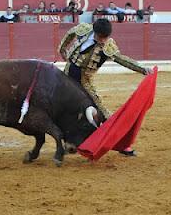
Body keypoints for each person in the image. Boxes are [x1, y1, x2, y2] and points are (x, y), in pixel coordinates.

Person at [58, 18, 153, 156]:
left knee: (103, 112)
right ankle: (66, 143)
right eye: (100, 37)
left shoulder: (108, 46)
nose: (103, 40)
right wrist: (62, 50)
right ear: (94, 31)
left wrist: (143, 69)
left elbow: (122, 59)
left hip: (85, 81)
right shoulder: (84, 30)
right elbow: (69, 34)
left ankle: (122, 145)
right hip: (67, 76)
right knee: (60, 109)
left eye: (105, 37)